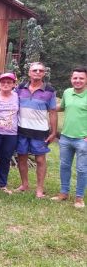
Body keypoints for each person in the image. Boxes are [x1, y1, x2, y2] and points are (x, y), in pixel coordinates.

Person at [15, 62, 57, 198]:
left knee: (40, 160)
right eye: (34, 70)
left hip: (39, 132)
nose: (37, 72)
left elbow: (52, 112)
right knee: (22, 158)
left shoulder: (50, 91)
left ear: (44, 73)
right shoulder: (20, 88)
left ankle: (39, 189)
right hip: (21, 130)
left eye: (40, 70)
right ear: (29, 73)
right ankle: (24, 184)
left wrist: (53, 132)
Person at [53, 67, 87, 208]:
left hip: (82, 139)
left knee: (82, 169)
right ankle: (64, 193)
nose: (77, 80)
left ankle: (79, 197)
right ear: (71, 79)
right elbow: (62, 107)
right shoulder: (67, 92)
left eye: (81, 78)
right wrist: (44, 105)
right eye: (75, 78)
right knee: (64, 166)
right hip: (66, 137)